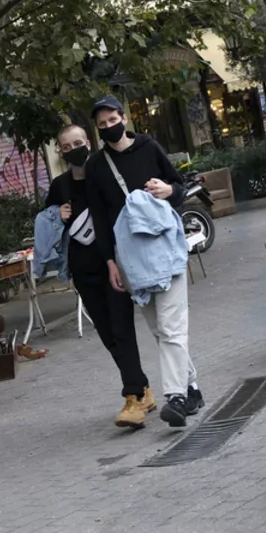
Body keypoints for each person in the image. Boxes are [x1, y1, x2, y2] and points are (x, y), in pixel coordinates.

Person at [84, 96, 203, 427]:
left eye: (113, 120)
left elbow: (180, 187)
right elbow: (99, 217)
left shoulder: (149, 147)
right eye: (102, 124)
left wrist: (168, 190)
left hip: (165, 251)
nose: (109, 127)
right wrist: (110, 262)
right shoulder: (97, 166)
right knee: (160, 330)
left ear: (124, 118)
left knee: (171, 327)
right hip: (131, 260)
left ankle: (176, 397)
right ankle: (192, 389)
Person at [44, 124, 154, 428]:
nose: (73, 149)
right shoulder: (60, 186)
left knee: (122, 330)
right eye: (66, 146)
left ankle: (133, 397)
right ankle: (143, 389)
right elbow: (46, 226)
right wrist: (57, 217)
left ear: (88, 143)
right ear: (60, 151)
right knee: (108, 335)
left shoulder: (104, 173)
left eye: (78, 142)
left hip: (115, 266)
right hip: (83, 272)